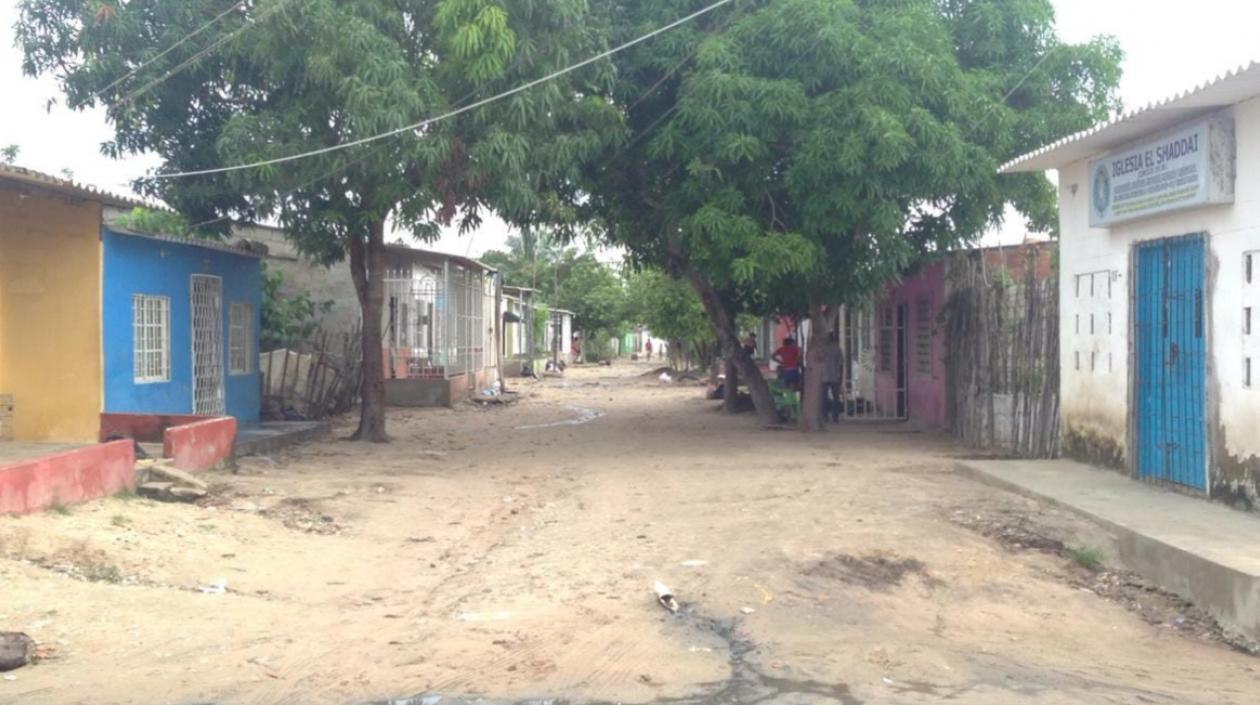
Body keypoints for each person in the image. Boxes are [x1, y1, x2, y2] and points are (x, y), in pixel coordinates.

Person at [821, 331, 844, 422]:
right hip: (835, 376)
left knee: (823, 398)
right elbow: (841, 364)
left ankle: (825, 417)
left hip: (824, 376)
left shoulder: (822, 349)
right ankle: (835, 417)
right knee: (836, 398)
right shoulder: (837, 348)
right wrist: (841, 376)